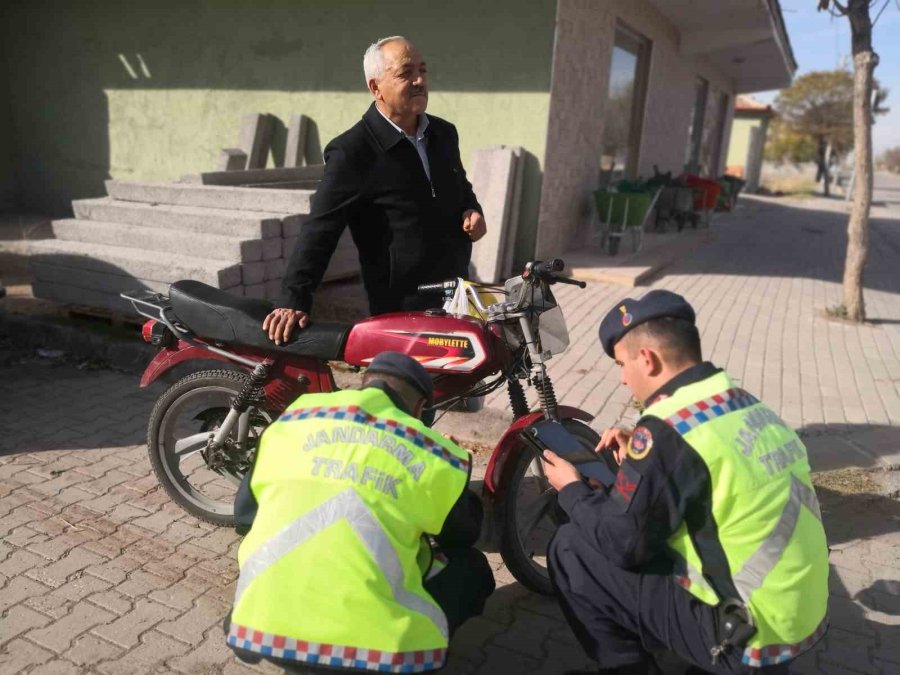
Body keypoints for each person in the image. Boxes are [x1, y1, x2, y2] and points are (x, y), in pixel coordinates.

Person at [540, 290, 829, 674]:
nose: (623, 379)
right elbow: (704, 474)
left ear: (647, 359)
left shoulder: (667, 431)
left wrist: (571, 489)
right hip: (799, 616)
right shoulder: (747, 405)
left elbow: (624, 545)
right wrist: (642, 461)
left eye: (622, 364)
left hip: (747, 636)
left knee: (572, 546)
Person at [225, 351, 495, 673]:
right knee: (473, 568)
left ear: (367, 383)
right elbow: (464, 534)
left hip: (259, 628)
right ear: (421, 408)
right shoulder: (431, 453)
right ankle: (411, 650)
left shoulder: (294, 420)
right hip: (373, 653)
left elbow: (244, 515)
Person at [264, 36, 487, 345]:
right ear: (375, 87)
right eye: (406, 72)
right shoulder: (353, 152)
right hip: (402, 311)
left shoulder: (443, 134)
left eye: (423, 70)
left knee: (471, 383)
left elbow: (460, 186)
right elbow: (321, 228)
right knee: (413, 389)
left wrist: (472, 209)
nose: (420, 80)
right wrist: (293, 298)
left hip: (457, 295)